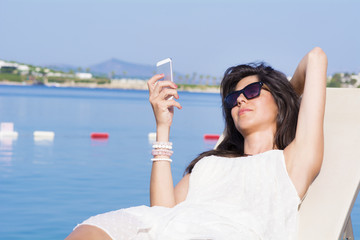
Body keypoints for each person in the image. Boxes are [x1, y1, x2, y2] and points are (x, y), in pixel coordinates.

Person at [65, 47, 327, 240]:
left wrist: (284, 94)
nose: (240, 101)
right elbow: (162, 212)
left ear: (279, 100)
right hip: (165, 229)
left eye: (252, 92)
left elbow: (316, 58)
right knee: (90, 230)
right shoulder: (210, 164)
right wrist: (163, 127)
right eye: (234, 97)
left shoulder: (292, 161)